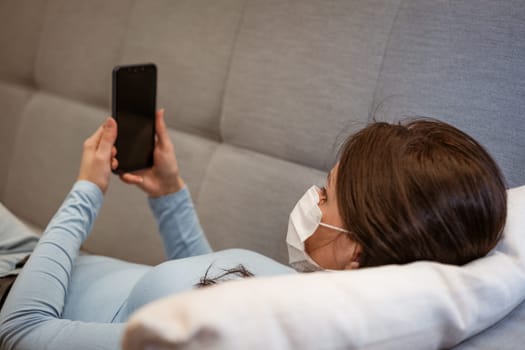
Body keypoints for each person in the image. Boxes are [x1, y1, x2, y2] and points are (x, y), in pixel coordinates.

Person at [0, 110, 507, 350]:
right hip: (40, 258)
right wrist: (170, 194)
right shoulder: (295, 299)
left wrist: (86, 191)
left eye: (327, 194)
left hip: (16, 291)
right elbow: (202, 284)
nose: (314, 198)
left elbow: (21, 333)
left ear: (355, 249)